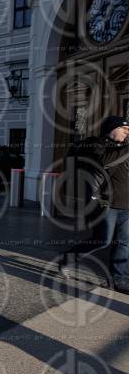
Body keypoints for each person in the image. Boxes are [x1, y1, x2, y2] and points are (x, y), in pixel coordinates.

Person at [59, 115, 129, 292]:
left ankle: (117, 279)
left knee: (124, 243)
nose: (127, 131)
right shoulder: (95, 145)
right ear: (111, 129)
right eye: (124, 128)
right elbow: (103, 162)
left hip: (126, 205)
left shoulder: (125, 148)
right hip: (106, 204)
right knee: (102, 240)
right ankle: (69, 258)